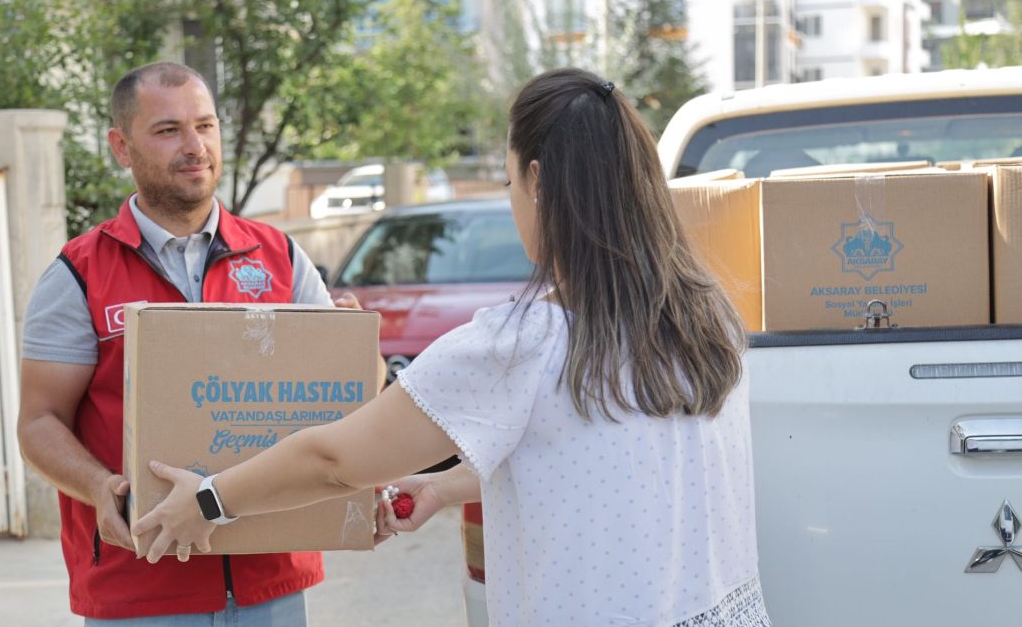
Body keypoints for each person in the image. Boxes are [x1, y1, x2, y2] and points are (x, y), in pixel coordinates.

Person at [133, 68, 771, 627]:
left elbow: (336, 459)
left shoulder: (524, 342)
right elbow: (608, 456)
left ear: (538, 181)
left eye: (508, 183)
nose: (512, 200)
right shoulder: (704, 312)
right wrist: (450, 487)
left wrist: (211, 498)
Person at [17, 61, 365, 624]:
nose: (194, 145)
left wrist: (356, 351)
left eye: (205, 126)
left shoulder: (280, 257)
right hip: (140, 585)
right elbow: (38, 421)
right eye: (168, 130)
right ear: (121, 147)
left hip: (269, 579)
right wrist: (96, 485)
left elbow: (340, 401)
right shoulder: (78, 274)